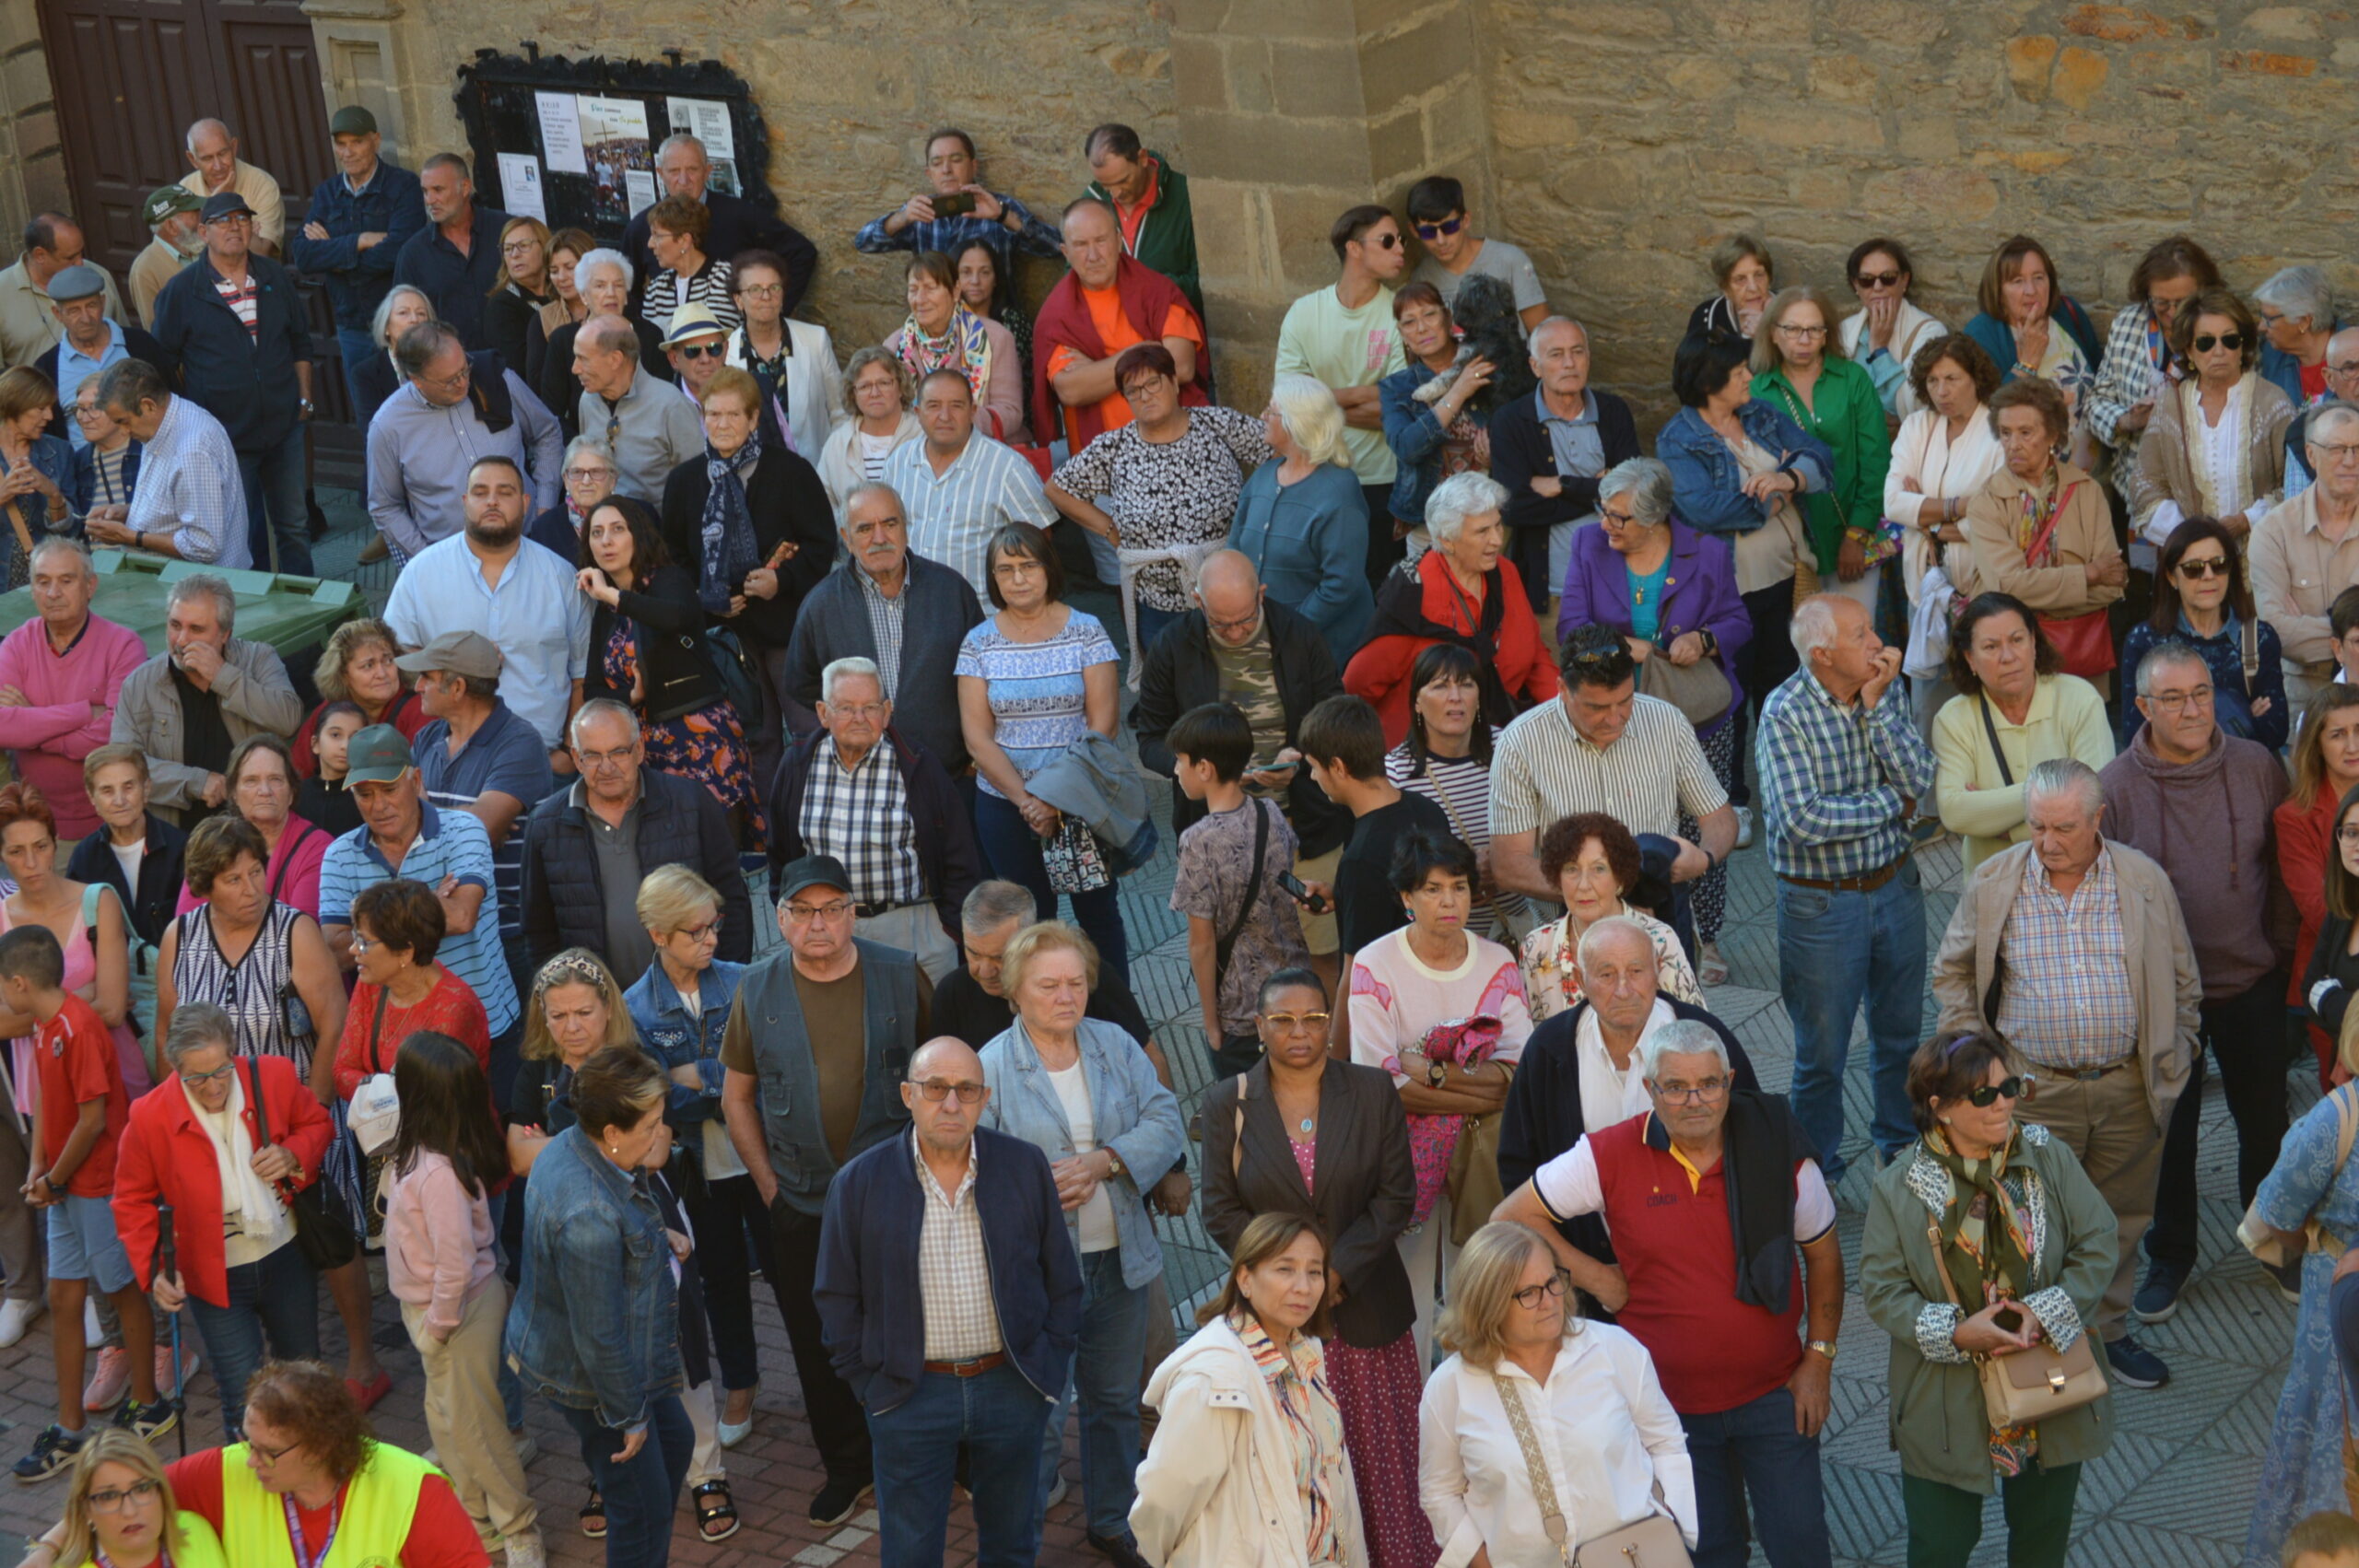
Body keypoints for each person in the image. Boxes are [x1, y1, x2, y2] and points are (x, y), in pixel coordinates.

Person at [1496, 1015, 1838, 1568]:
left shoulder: (1779, 1151)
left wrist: (1819, 1358)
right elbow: (1511, 1216)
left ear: (1729, 1081)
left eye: (1708, 1084)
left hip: (1775, 1394)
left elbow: (1823, 1254)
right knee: (1710, 1554)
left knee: (1801, 1549)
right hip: (1664, 1410)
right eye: (1675, 1087)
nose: (1694, 1100)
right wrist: (1597, 1277)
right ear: (1650, 1088)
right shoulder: (1606, 1154)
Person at [1931, 756, 2197, 1389]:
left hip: (2128, 1085)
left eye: (2063, 828)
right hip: (2032, 1088)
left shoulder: (2144, 880)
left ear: (2098, 819)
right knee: (2031, 1224)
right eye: (2037, 827)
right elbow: (1953, 972)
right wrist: (1976, 1065)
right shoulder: (1996, 881)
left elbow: (2184, 980)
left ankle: (2106, 1333)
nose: (2047, 843)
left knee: (2122, 1217)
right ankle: (2035, 1343)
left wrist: (2174, 1049)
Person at [813, 1034, 1082, 1567]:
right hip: (910, 1394)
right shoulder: (859, 1183)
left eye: (966, 1089)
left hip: (1012, 1385)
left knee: (1012, 1544)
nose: (952, 1103)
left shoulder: (1024, 1168)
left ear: (985, 1099)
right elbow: (836, 1295)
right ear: (908, 1095)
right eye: (936, 1088)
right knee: (911, 1550)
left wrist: (1045, 1368)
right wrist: (870, 1385)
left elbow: (1063, 1281)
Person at [715, 852, 927, 1523]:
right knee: (816, 1340)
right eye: (803, 911)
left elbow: (943, 1082)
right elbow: (736, 1097)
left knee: (911, 1327)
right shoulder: (757, 987)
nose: (819, 924)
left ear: (852, 913)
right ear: (779, 918)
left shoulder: (899, 974)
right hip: (800, 1204)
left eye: (832, 909)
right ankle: (848, 1466)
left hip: (895, 1199)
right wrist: (770, 1186)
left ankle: (931, 1454)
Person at [1858, 1032, 2120, 1568]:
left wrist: (2045, 1311)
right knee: (1941, 1544)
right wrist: (1956, 1332)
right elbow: (1883, 1291)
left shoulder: (2046, 1154)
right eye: (1984, 1095)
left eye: (2011, 1087)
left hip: (2045, 1374)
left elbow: (2098, 1240)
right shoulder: (1898, 1186)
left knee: (2043, 1537)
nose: (2004, 1102)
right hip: (1946, 1396)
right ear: (1940, 1108)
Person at [978, 921, 1183, 1563]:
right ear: (1015, 990)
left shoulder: (1114, 1043)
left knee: (1115, 1404)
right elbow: (973, 1168)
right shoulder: (989, 1067)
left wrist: (1107, 1162)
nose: (1066, 997)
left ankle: (1111, 1521)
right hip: (1040, 1275)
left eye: (1076, 982)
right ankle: (1017, 1541)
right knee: (1037, 1413)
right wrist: (1038, 1188)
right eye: (1048, 985)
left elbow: (1167, 1117)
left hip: (1121, 1263)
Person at [2100, 640, 2292, 1326]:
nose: (2192, 709)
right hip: (2163, 999)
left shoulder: (2256, 765)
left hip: (2252, 980)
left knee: (2266, 1123)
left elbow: (2284, 864)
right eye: (2173, 698)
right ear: (2144, 707)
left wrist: (2278, 951)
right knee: (2169, 1135)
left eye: (2202, 693)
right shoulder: (2115, 786)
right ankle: (2171, 1255)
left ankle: (2274, 1241)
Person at [1192, 970, 1412, 1563]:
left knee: (1382, 1463)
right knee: (1298, 1468)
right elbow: (1219, 1207)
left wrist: (1331, 1275)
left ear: (1329, 1025)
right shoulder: (1226, 1104)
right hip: (1275, 1324)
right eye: (1283, 1020)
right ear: (1259, 1027)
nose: (1300, 1032)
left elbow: (1396, 1197)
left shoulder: (1371, 1091)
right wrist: (1289, 1282)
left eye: (1313, 1019)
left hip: (1364, 1310)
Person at [1757, 594, 1935, 1181]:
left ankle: (1903, 1156)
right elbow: (1802, 823)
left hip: (1895, 888)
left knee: (1902, 1038)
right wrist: (1892, 804)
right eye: (1861, 634)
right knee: (1822, 1055)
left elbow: (1923, 780)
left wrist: (1881, 708)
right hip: (1820, 904)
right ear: (1822, 653)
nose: (1879, 643)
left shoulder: (1885, 689)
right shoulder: (1784, 713)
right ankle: (1815, 1177)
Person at [1558, 454, 1749, 976]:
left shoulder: (1706, 552)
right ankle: (1619, 917)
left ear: (1656, 516)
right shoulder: (1588, 545)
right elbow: (1571, 625)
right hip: (1609, 712)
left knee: (1697, 825)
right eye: (1605, 511)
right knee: (1620, 817)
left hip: (1693, 714)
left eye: (1619, 517)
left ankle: (1705, 936)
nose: (1606, 525)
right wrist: (1628, 649)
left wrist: (1704, 639)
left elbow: (1737, 620)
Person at [1347, 829, 1532, 1363]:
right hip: (1400, 1156)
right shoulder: (1374, 965)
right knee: (1405, 1289)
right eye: (1431, 889)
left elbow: (1519, 1073)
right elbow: (1380, 1084)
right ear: (1406, 897)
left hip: (1481, 1157)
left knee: (1475, 1282)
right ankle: (1416, 1415)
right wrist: (1479, 1088)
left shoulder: (1497, 959)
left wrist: (1426, 1072)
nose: (1448, 902)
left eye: (1458, 887)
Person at [505, 1046, 692, 1568]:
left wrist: (660, 1233)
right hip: (595, 1378)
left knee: (676, 1445)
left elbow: (626, 1205)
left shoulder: (571, 1142)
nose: (661, 1133)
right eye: (652, 1123)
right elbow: (599, 1335)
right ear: (612, 1131)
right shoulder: (587, 1212)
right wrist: (629, 1417)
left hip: (601, 1355)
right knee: (641, 1508)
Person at [1419, 1220, 1697, 1564]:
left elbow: (1666, 1441)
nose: (1550, 1301)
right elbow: (1439, 1493)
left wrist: (1671, 1526)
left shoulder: (1613, 1350)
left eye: (1552, 1282)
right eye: (1529, 1293)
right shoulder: (1450, 1387)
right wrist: (1483, 1563)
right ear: (1487, 1304)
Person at [111, 1004, 331, 1435]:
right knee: (241, 1399)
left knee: (306, 1384)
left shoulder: (273, 1075)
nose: (213, 1087)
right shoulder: (150, 1115)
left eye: (221, 1071)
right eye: (197, 1078)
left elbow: (317, 1124)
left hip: (285, 1255)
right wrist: (156, 1269)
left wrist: (293, 1154)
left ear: (232, 1052)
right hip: (214, 1275)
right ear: (175, 1069)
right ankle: (253, 1493)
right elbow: (131, 1200)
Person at [1133, 550, 1352, 986]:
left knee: (1322, 951)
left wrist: (1300, 758)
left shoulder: (1299, 636)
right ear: (1198, 602)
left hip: (1304, 822)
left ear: (1262, 595)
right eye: (1221, 623)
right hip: (1218, 833)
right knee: (1233, 954)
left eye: (1246, 620)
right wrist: (1201, 770)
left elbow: (1335, 718)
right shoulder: (1174, 646)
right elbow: (1150, 739)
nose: (1235, 632)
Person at [0, 922, 168, 1480]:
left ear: (20, 982)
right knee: (65, 1300)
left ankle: (149, 1403)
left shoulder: (79, 1025)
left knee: (122, 1293)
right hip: (68, 1186)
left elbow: (94, 1119)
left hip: (97, 1188)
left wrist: (55, 1178)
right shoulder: (48, 1025)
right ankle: (70, 1428)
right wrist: (37, 1165)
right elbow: (49, 1095)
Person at [1496, 916, 1757, 1273]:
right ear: (1579, 980)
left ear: (1657, 971)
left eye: (1636, 971)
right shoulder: (1550, 1049)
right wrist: (1578, 1272)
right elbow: (1519, 1166)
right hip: (1587, 1273)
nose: (1623, 989)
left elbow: (1753, 1145)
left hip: (1700, 1263)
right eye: (1606, 975)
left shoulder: (1704, 1037)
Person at [383, 1030, 541, 1566]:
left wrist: (439, 1325)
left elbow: (454, 1261)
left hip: (454, 1310)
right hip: (435, 1308)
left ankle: (517, 1526)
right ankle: (478, 1518)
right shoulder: (427, 1155)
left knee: (476, 1428)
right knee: (448, 1421)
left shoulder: (438, 1174)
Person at [1132, 1211, 1365, 1568]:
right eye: (1285, 1269)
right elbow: (1163, 1502)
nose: (1303, 1286)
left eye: (1314, 1271)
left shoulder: (1308, 1350)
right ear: (1245, 1279)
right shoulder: (1214, 1381)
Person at [1485, 628, 1738, 957]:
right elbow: (1509, 865)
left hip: (1659, 928)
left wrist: (1703, 858)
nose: (1615, 718)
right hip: (1567, 941)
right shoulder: (1521, 743)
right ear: (1562, 689)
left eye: (1625, 701)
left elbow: (1719, 816)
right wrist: (1601, 893)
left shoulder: (1666, 722)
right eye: (1597, 707)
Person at [620, 867, 762, 1445]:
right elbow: (660, 1100)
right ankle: (742, 1387)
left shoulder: (747, 980)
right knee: (722, 1280)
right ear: (658, 934)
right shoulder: (633, 1008)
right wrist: (726, 1084)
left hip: (760, 1157)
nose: (711, 940)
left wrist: (696, 1077)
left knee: (792, 1273)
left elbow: (766, 1074)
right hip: (696, 1169)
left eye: (714, 926)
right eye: (695, 931)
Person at [1658, 329, 1835, 781]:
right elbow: (1706, 509)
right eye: (1738, 372)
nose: (1749, 378)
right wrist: (1776, 498)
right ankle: (1733, 794)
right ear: (1708, 381)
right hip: (1728, 590)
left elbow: (1819, 455)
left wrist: (1790, 479)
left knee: (1782, 685)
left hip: (1785, 578)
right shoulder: (1678, 439)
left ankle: (1786, 781)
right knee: (1730, 692)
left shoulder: (1759, 413)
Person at [957, 521, 1129, 980]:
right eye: (1005, 569)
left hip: (1081, 803)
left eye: (1028, 565)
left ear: (1049, 568)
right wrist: (1027, 801)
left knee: (1099, 917)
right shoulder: (978, 641)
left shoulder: (1087, 631)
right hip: (1006, 806)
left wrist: (1055, 799)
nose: (1017, 579)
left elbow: (1103, 726)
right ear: (992, 578)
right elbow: (977, 738)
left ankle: (1118, 1020)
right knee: (1024, 925)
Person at [657, 363, 837, 783]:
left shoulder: (791, 472)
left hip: (785, 627)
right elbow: (673, 556)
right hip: (725, 635)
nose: (722, 424)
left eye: (733, 415)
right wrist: (705, 596)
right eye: (713, 414)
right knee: (754, 737)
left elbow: (821, 543)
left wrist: (782, 581)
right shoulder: (684, 481)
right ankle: (768, 836)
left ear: (754, 418)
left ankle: (810, 822)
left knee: (808, 730)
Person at [318, 726, 520, 1085]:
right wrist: (428, 900)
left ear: (416, 779)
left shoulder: (464, 830)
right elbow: (335, 952)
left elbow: (461, 916)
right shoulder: (339, 854)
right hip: (395, 1045)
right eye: (364, 794)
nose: (378, 805)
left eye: (390, 789)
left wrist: (373, 924)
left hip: (486, 1027)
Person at [1044, 340, 1267, 653]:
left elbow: (1278, 449)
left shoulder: (1218, 424)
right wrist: (1110, 530)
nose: (1145, 395)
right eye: (1133, 391)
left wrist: (1260, 517)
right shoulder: (1115, 447)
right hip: (1155, 603)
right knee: (1172, 691)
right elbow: (1057, 488)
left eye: (1153, 383)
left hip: (1226, 594)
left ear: (1174, 383)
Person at [574, 495, 767, 850]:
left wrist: (614, 596)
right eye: (597, 533)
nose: (606, 541)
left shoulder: (668, 579)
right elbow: (593, 691)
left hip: (697, 737)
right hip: (643, 750)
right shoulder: (605, 610)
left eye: (618, 529)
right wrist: (631, 697)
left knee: (717, 856)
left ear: (639, 535)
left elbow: (674, 616)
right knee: (667, 865)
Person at [766, 657, 979, 979]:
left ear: (887, 711)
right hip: (829, 930)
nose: (860, 718)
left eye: (870, 707)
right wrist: (801, 921)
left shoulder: (918, 766)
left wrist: (947, 929)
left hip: (912, 928)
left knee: (929, 1029)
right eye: (846, 708)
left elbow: (959, 852)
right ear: (823, 713)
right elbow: (780, 854)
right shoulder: (797, 765)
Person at [515, 699, 754, 977]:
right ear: (577, 759)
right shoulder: (546, 824)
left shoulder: (691, 803)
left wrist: (725, 983)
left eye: (618, 752)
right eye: (592, 755)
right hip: (598, 1008)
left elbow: (732, 900)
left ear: (639, 750)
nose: (606, 767)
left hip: (694, 993)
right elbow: (538, 930)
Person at [381, 454, 593, 760]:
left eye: (504, 492)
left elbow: (582, 675)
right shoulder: (421, 573)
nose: (492, 501)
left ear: (525, 502)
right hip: (447, 754)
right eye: (481, 493)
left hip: (540, 758)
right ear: (465, 501)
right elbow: (394, 658)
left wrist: (568, 752)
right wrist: (450, 666)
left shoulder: (560, 577)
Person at [147, 193, 313, 576]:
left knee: (295, 526)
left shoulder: (275, 277)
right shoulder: (182, 292)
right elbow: (163, 364)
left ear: (253, 226)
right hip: (225, 437)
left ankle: (310, 613)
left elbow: (300, 342)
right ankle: (255, 619)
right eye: (223, 221)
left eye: (241, 218)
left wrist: (305, 400)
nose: (234, 227)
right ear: (203, 232)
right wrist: (192, 424)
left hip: (284, 426)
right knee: (242, 532)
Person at [784, 481, 983, 774]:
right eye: (865, 529)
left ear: (905, 526)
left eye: (890, 524)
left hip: (948, 774)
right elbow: (801, 684)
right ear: (846, 538)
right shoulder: (821, 605)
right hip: (864, 780)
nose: (880, 538)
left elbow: (982, 678)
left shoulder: (951, 592)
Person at [1347, 471, 1557, 744]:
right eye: (1482, 531)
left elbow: (1535, 655)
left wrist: (1565, 713)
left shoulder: (1505, 572)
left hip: (1498, 739)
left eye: (1497, 525)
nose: (1496, 540)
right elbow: (1358, 685)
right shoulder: (1414, 596)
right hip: (1422, 755)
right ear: (1446, 540)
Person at [1166, 703, 1314, 1075]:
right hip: (1294, 986)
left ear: (1204, 769)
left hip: (1243, 1009)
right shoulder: (1271, 813)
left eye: (1180, 761)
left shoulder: (1198, 841)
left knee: (1248, 1119)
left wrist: (1211, 1024)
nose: (1175, 771)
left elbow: (1201, 943)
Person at [402, 630, 557, 986]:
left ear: (457, 689)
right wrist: (465, 826)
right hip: (439, 924)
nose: (417, 686)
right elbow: (405, 825)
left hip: (508, 935)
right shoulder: (427, 739)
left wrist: (431, 816)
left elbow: (476, 832)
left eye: (427, 677)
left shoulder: (520, 742)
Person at [1961, 377, 2126, 688]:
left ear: (2052, 435)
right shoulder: (1985, 503)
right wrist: (2087, 575)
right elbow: (2006, 587)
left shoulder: (2086, 491)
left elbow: (2112, 588)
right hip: (2010, 667)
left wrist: (2029, 595)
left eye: (2026, 433)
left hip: (2078, 663)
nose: (2013, 444)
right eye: (2006, 433)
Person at [1931, 591, 2115, 870]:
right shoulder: (1953, 718)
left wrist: (2008, 828)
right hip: (1995, 885)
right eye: (1991, 647)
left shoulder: (2080, 699)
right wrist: (2060, 796)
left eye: (2017, 640)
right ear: (1970, 659)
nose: (2008, 656)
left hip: (2075, 881)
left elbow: (2098, 800)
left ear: (2034, 643)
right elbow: (1955, 813)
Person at [1276, 205, 1410, 583]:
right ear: (1354, 248)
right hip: (1320, 474)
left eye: (1400, 240)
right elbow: (1286, 404)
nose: (1400, 248)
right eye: (1388, 241)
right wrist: (1370, 396)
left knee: (1380, 588)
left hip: (1385, 484)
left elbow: (1399, 412)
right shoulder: (1304, 313)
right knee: (1329, 584)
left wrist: (1317, 398)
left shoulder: (1401, 313)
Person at [1298, 694, 1451, 1014]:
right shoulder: (1428, 810)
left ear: (1338, 767)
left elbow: (1356, 981)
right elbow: (1408, 897)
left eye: (1314, 767)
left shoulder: (1360, 859)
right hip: (1441, 988)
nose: (1313, 777)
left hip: (1393, 1012)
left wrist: (1339, 1059)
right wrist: (1342, 896)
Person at [108, 574, 300, 826]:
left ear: (224, 634)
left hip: (253, 830)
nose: (181, 640)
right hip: (177, 835)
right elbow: (122, 765)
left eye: (196, 629)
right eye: (175, 625)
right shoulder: (141, 683)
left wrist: (223, 676)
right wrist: (194, 782)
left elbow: (288, 720)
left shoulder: (258, 659)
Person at [1887, 333, 2007, 732]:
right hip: (1925, 588)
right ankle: (1932, 797)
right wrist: (1956, 509)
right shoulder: (1917, 426)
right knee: (1928, 710)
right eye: (1934, 381)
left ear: (1976, 378)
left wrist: (1922, 512)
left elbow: (1999, 515)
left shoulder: (1998, 431)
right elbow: (1891, 502)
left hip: (1980, 588)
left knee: (1987, 698)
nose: (1942, 391)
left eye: (1952, 379)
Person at [1487, 315, 1643, 625]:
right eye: (1556, 355)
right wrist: (1599, 491)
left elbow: (1636, 498)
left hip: (1618, 585)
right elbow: (1514, 508)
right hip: (1551, 592)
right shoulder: (1511, 421)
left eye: (1578, 351)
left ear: (1589, 357)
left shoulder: (1614, 412)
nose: (1569, 363)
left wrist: (1564, 484)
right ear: (1536, 367)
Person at [366, 321, 564, 562]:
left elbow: (547, 432)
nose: (463, 383)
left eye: (464, 369)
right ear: (416, 380)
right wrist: (427, 558)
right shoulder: (388, 426)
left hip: (528, 541)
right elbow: (385, 506)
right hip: (454, 560)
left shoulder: (495, 377)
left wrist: (545, 508)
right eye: (450, 380)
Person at [1031, 199, 1207, 467]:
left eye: (1101, 240)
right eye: (1080, 245)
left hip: (1177, 449)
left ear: (1118, 239)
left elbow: (1181, 366)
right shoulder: (1058, 313)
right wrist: (1143, 352)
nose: (1093, 255)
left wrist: (1100, 372)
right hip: (1106, 463)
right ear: (1065, 252)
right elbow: (1071, 390)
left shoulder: (1155, 290)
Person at [1753, 285, 1894, 619]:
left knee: (1856, 637)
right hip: (1790, 550)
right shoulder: (1757, 389)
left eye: (1814, 329)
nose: (1804, 339)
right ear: (1773, 333)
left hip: (1852, 534)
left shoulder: (1852, 379)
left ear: (1826, 333)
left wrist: (1857, 535)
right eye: (1793, 329)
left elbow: (1876, 462)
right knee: (1803, 649)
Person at [1379, 643, 1529, 944]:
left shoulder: (1512, 748)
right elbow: (1393, 867)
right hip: (1446, 936)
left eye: (1465, 684)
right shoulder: (1396, 772)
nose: (1455, 697)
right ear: (1417, 702)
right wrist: (1464, 870)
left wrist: (1505, 860)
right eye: (1440, 686)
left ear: (1478, 699)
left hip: (1522, 924)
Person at [2125, 287, 2296, 547]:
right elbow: (2145, 484)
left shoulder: (2273, 403)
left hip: (2262, 559)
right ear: (2190, 351)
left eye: (2229, 341)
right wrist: (2191, 536)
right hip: (2192, 565)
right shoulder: (2171, 406)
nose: (2219, 351)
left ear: (2242, 347)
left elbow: (2297, 487)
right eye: (2206, 342)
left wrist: (2246, 520)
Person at [1227, 373, 1376, 664]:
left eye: (1271, 411)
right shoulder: (1263, 476)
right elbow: (1235, 549)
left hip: (1323, 652)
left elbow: (1341, 584)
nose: (1263, 416)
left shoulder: (1338, 492)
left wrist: (1288, 630)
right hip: (1265, 643)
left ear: (1296, 423)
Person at [0, 540, 143, 839]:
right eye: (43, 582)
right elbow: (4, 727)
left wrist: (34, 727)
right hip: (36, 827)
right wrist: (83, 712)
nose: (53, 593)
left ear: (90, 586)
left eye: (66, 581)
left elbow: (116, 736)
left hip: (109, 825)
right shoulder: (17, 643)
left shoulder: (123, 646)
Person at [289, 106, 427, 411]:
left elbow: (397, 252)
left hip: (400, 324)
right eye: (341, 144)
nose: (347, 152)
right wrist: (360, 241)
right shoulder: (327, 194)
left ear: (375, 141)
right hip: (352, 325)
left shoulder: (403, 187)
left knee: (413, 409)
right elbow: (303, 255)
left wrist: (334, 255)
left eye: (357, 142)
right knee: (371, 417)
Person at [884, 368, 1057, 610]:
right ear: (917, 412)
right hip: (910, 612)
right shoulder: (899, 460)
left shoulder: (1006, 467)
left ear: (973, 411)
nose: (945, 416)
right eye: (933, 406)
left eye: (956, 405)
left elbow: (1039, 540)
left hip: (980, 618)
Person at [2120, 515, 2289, 751]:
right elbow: (2136, 736)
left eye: (2219, 564)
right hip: (2171, 781)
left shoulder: (2259, 637)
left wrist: (2180, 723)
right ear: (2171, 576)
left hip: (2242, 776)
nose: (2209, 575)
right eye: (2194, 569)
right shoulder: (2145, 641)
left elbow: (2275, 731)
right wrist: (2240, 717)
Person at [933, 880, 1156, 1054]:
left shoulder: (1083, 977)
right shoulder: (952, 993)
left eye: (999, 958)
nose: (984, 971)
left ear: (1030, 939)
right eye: (973, 953)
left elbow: (1147, 1057)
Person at [1518, 815, 1703, 1019]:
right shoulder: (1536, 948)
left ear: (1620, 878)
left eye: (1599, 869)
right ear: (1557, 878)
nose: (1584, 885)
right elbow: (1534, 1039)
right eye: (1571, 869)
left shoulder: (1659, 940)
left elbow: (1694, 1028)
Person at [332, 877, 490, 1106]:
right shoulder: (372, 982)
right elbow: (340, 1072)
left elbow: (426, 1103)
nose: (353, 949)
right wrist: (390, 1089)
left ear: (405, 952)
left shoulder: (454, 1007)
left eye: (365, 942)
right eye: (356, 937)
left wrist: (372, 1089)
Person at [621, 132, 816, 317]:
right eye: (673, 171)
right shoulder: (641, 228)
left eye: (692, 170)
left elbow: (801, 252)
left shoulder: (739, 215)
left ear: (707, 172)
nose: (683, 180)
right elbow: (627, 288)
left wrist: (774, 313)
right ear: (660, 173)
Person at [80, 359, 245, 567]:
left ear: (148, 405)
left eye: (124, 421)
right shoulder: (167, 418)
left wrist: (130, 537)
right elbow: (179, 503)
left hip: (198, 589)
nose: (123, 432)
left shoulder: (191, 449)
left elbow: (204, 546)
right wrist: (129, 512)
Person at [2255, 402, 2359, 710]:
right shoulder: (2273, 532)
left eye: (2358, 448)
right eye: (2337, 449)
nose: (2350, 460)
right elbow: (2275, 634)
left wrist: (2304, 624)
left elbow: (2292, 632)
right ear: (2311, 455)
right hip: (2304, 704)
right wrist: (2350, 637)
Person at [1379, 282, 1496, 556]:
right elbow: (1406, 448)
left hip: (1491, 518)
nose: (1421, 328)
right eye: (1409, 322)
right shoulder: (1396, 388)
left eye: (1429, 315)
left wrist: (1498, 456)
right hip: (1430, 525)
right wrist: (1457, 392)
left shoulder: (1484, 363)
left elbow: (1519, 428)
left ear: (1447, 317)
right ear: (1402, 334)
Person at [2083, 234, 2221, 462]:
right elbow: (2096, 402)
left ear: (2203, 292)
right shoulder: (2128, 324)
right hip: (2135, 478)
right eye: (2161, 302)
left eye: (2182, 302)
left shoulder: (2222, 332)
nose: (2172, 312)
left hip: (2203, 474)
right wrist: (2127, 420)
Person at [2284, 686, 2359, 1084]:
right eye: (2337, 734)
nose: (2352, 745)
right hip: (2332, 978)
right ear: (2316, 744)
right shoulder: (2294, 817)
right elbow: (2318, 905)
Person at [173, 735, 328, 919]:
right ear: (233, 793)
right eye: (251, 781)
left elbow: (304, 931)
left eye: (275, 779)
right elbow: (188, 927)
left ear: (292, 792)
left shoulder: (317, 847)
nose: (264, 791)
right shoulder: (211, 844)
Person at [855, 125, 1061, 260]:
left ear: (973, 166)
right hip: (937, 323)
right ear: (929, 174)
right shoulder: (920, 211)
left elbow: (1057, 247)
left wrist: (1004, 217)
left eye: (956, 160)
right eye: (937, 163)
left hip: (989, 322)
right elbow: (863, 243)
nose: (946, 170)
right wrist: (901, 218)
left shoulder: (998, 206)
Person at [66, 744, 185, 975]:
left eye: (128, 787)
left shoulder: (181, 848)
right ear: (92, 797)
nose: (120, 800)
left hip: (174, 981)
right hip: (110, 985)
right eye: (107, 791)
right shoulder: (84, 857)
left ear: (146, 789)